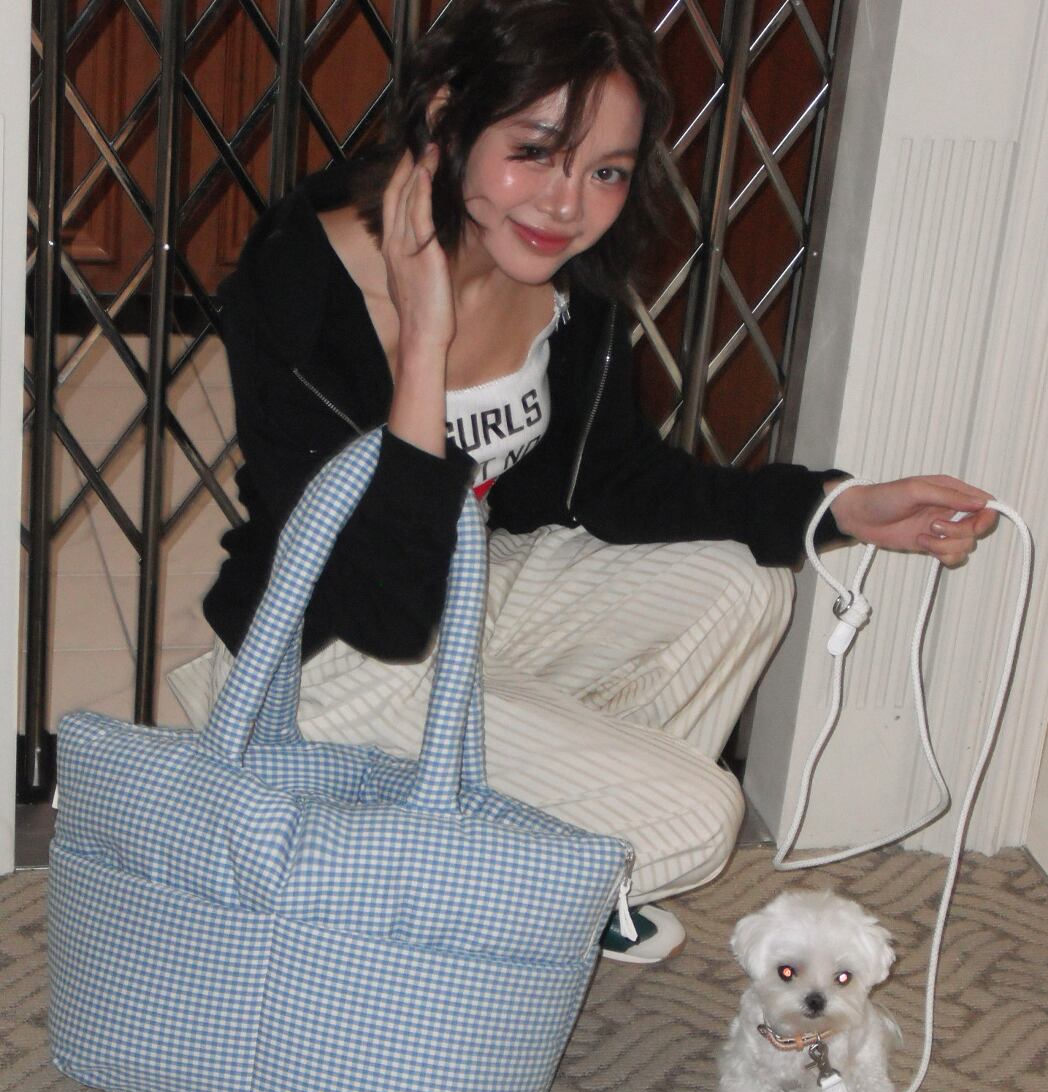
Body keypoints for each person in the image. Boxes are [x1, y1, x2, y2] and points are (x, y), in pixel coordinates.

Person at [169, 0, 996, 963]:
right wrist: (425, 340)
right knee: (697, 818)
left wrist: (838, 505)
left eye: (605, 171)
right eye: (535, 152)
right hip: (334, 654)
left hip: (476, 588)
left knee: (742, 583)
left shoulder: (565, 272)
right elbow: (385, 614)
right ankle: (423, 886)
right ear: (447, 120)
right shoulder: (302, 285)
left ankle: (519, 859)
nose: (568, 205)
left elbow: (619, 482)